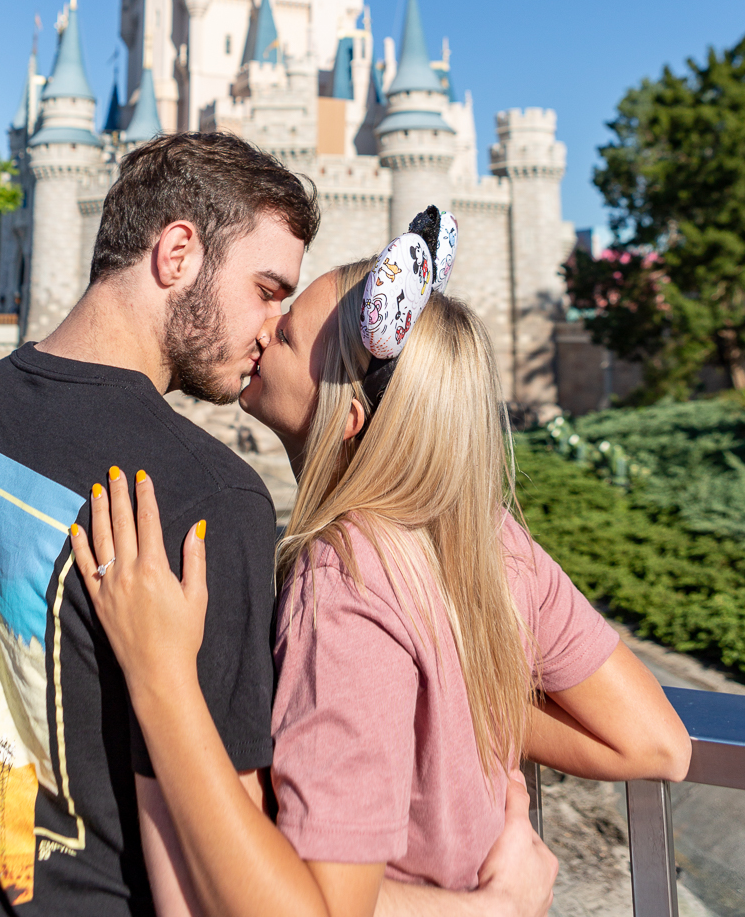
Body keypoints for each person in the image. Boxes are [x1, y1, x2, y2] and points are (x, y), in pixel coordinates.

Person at [72, 209, 692, 917]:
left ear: (348, 417)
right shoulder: (490, 538)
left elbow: (326, 908)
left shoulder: (343, 585)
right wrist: (471, 697)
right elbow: (657, 744)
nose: (265, 330)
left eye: (290, 332)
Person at [0, 131, 319, 916]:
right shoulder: (207, 499)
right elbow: (206, 866)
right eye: (267, 288)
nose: (274, 327)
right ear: (177, 253)